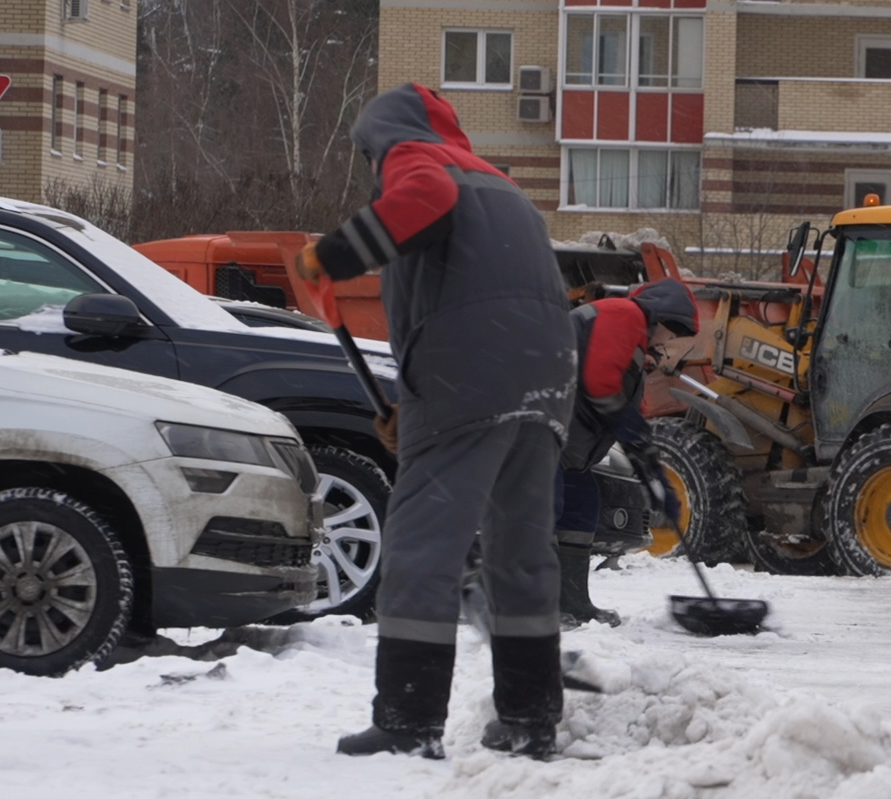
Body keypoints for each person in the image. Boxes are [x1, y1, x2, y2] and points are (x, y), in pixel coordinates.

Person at [296, 83, 576, 760]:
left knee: (423, 545)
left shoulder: (416, 158)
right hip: (547, 373)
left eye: (370, 155)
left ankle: (408, 720)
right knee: (521, 552)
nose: (375, 168)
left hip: (470, 370)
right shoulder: (504, 188)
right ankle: (531, 719)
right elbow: (479, 297)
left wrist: (333, 255)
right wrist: (413, 404)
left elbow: (426, 200)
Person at [555, 277, 699, 626]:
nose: (666, 343)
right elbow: (599, 382)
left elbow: (632, 409)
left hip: (565, 444)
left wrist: (650, 466)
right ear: (661, 316)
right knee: (544, 509)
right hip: (539, 427)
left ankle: (572, 601)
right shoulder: (625, 314)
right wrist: (632, 433)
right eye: (670, 333)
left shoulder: (632, 346)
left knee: (582, 504)